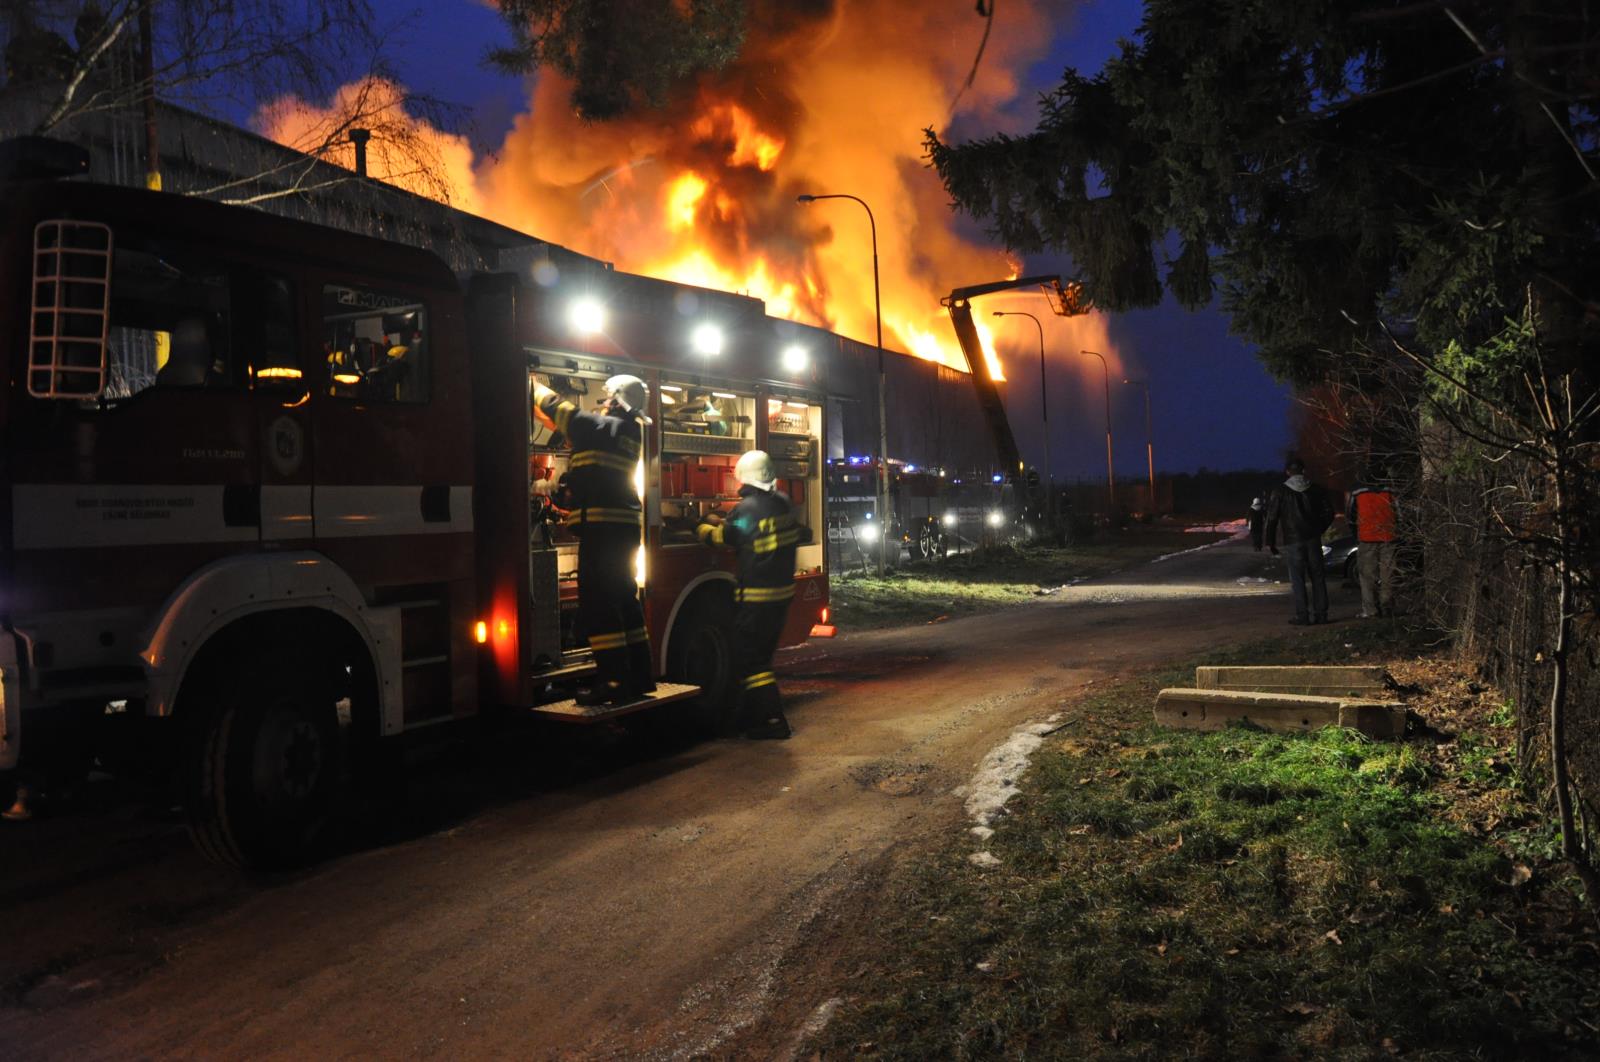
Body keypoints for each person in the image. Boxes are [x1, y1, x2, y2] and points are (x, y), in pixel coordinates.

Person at [531, 374, 654, 706]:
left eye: (606, 399)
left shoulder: (614, 427)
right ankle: (640, 676)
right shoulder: (621, 432)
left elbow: (575, 419)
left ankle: (614, 681)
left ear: (616, 401)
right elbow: (590, 482)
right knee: (624, 602)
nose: (601, 405)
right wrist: (556, 491)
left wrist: (536, 390)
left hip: (605, 531)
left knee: (600, 606)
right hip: (614, 529)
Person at [697, 450, 810, 739]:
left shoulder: (746, 509)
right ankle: (750, 718)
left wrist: (701, 526)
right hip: (780, 597)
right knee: (759, 657)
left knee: (752, 661)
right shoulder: (783, 502)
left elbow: (723, 538)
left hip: (757, 599)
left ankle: (773, 721)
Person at [1264, 457, 1335, 625]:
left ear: (1287, 472)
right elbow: (1329, 512)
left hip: (1293, 540)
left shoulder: (1280, 491)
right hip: (1313, 538)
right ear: (1303, 470)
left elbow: (1272, 518)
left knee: (1297, 578)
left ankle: (1302, 615)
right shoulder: (1316, 489)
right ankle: (1322, 615)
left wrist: (1271, 542)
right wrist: (1319, 528)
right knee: (1317, 576)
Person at [1348, 471, 1400, 618]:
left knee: (1367, 575)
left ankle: (1370, 610)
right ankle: (1387, 607)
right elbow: (1399, 514)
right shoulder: (1390, 491)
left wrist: (1356, 534)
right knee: (1388, 574)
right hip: (1388, 537)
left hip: (1366, 538)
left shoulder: (1358, 493)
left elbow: (1350, 515)